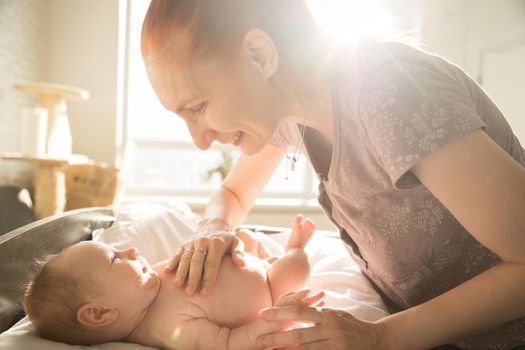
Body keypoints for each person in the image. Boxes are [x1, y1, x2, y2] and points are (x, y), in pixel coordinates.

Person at [140, 1, 525, 349]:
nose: (200, 141)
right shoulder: (289, 108)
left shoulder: (392, 93)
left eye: (198, 107)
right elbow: (234, 195)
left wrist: (382, 337)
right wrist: (213, 227)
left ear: (259, 55)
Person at [24, 215, 323, 349]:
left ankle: (257, 249)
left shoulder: (148, 281)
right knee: (294, 270)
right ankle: (295, 246)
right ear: (99, 313)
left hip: (246, 261)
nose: (131, 250)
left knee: (244, 238)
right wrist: (273, 320)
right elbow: (229, 343)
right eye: (116, 258)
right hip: (268, 288)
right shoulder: (166, 328)